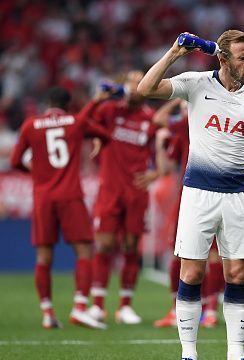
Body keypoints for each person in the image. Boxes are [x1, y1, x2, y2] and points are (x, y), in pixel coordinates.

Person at [137, 29, 244, 360]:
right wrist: (173, 54)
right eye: (242, 57)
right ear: (223, 58)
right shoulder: (196, 83)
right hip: (198, 194)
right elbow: (145, 89)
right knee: (193, 271)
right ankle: (189, 356)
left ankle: (236, 358)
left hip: (237, 196)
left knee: (237, 274)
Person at [10, 86, 110, 330]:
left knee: (44, 256)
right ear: (68, 105)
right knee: (84, 250)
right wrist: (96, 138)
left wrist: (35, 172)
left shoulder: (30, 125)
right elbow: (104, 135)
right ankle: (79, 308)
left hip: (42, 197)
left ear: (48, 103)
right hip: (70, 195)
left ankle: (47, 313)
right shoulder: (75, 121)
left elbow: (14, 161)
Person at [88, 70, 161, 325]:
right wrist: (98, 99)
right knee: (105, 245)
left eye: (138, 83)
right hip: (109, 189)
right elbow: (83, 123)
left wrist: (157, 172)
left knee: (131, 247)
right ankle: (97, 305)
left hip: (136, 192)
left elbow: (163, 145)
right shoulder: (109, 111)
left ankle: (125, 306)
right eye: (129, 83)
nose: (133, 88)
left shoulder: (151, 118)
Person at [152, 99, 224, 329]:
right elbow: (167, 165)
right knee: (205, 254)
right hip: (208, 193)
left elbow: (159, 119)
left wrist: (176, 99)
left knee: (192, 253)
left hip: (195, 195)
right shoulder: (208, 121)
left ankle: (195, 310)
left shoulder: (188, 122)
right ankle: (205, 310)